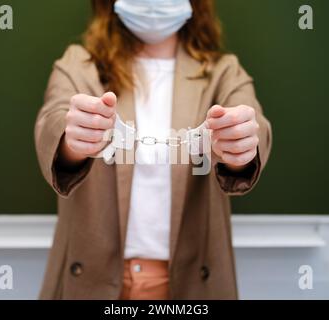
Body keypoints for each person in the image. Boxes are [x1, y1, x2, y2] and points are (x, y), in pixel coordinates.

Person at [34, 0, 272, 300]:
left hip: (191, 282)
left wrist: (240, 143)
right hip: (93, 279)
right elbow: (53, 120)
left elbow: (253, 122)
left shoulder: (223, 73)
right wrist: (73, 141)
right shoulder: (79, 66)